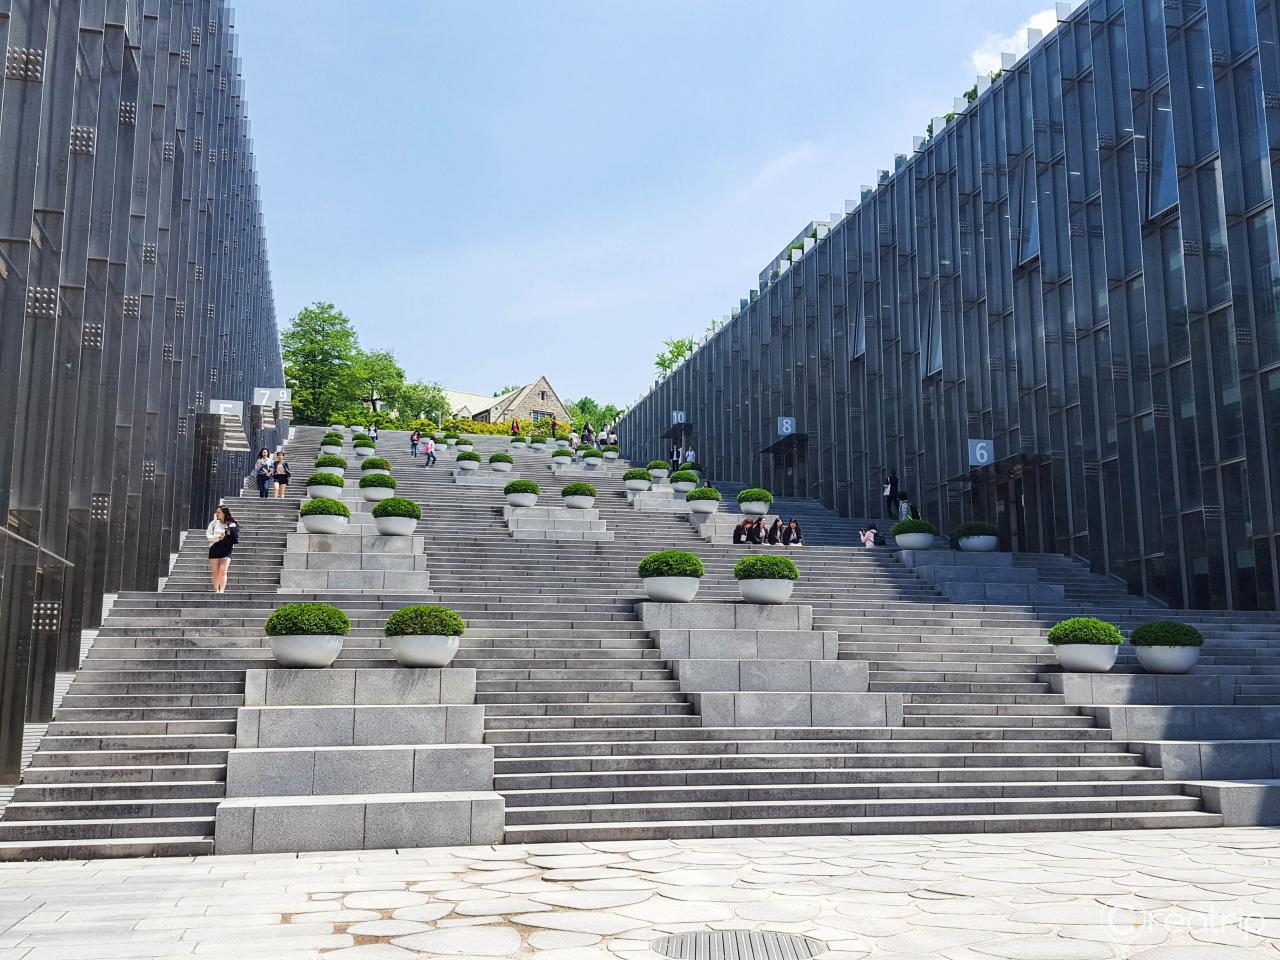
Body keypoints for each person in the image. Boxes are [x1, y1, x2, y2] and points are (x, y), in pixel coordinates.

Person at [206, 505, 239, 594]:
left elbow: (235, 537)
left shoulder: (231, 524)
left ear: (224, 513)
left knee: (223, 571)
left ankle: (222, 591)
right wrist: (217, 537)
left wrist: (230, 530)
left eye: (218, 512)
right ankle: (216, 590)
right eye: (216, 512)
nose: (217, 514)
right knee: (215, 572)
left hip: (226, 548)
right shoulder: (213, 523)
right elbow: (208, 536)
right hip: (215, 548)